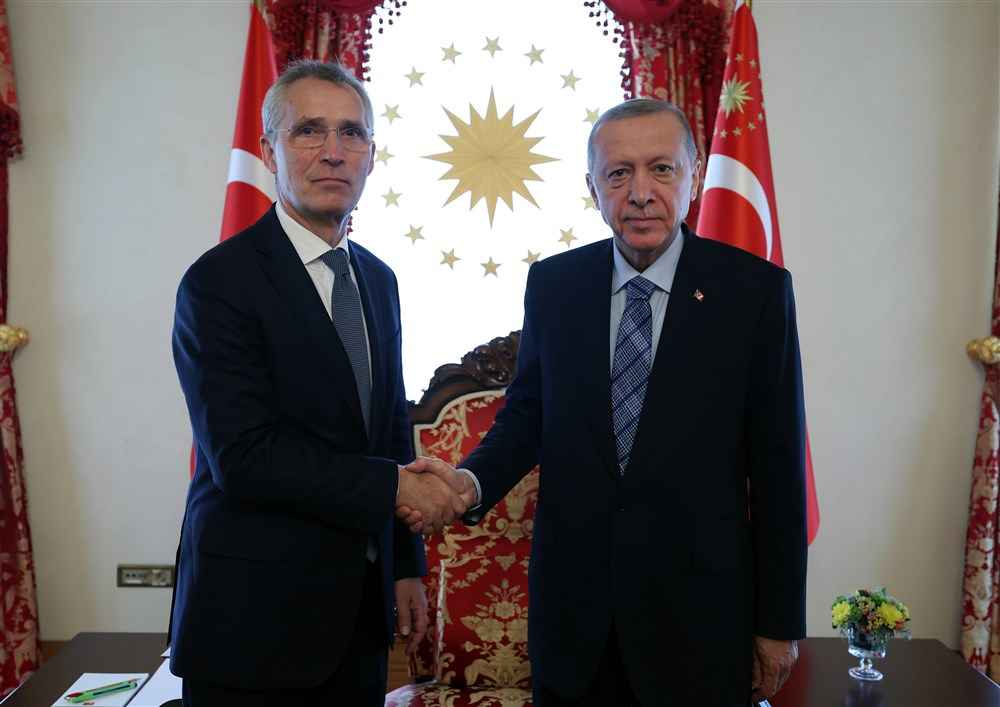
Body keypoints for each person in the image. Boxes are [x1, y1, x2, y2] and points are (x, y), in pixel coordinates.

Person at [401, 99, 808, 706]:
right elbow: (527, 416)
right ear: (592, 187)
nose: (640, 193)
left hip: (699, 622)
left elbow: (779, 469)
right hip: (575, 622)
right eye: (619, 173)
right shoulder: (555, 285)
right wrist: (468, 483)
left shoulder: (755, 292)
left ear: (694, 176)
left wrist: (778, 624)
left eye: (661, 169)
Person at [168, 60, 467, 707]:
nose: (333, 151)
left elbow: (387, 430)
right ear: (268, 149)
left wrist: (405, 563)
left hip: (358, 621)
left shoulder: (379, 280)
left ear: (371, 156)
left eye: (351, 133)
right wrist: (397, 487)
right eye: (309, 130)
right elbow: (244, 457)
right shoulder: (218, 283)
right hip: (250, 625)